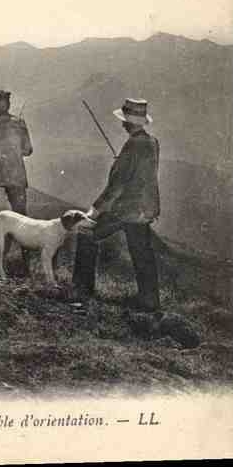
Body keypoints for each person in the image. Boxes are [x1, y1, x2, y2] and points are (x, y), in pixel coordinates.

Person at [73, 98, 161, 312]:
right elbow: (141, 173)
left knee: (87, 233)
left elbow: (118, 184)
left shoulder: (132, 144)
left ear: (130, 123)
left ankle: (82, 290)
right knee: (142, 252)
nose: (122, 124)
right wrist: (123, 161)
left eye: (124, 121)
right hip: (145, 208)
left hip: (125, 209)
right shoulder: (152, 142)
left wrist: (96, 210)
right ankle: (150, 301)